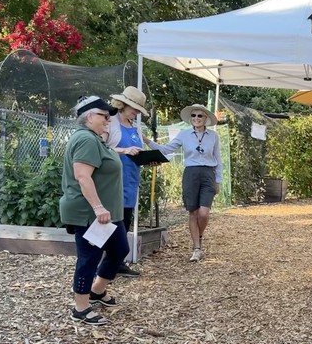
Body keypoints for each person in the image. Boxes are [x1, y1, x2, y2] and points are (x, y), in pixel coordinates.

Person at [60, 96, 129, 326]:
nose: (108, 120)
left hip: (107, 214)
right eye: (104, 116)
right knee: (89, 258)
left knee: (119, 249)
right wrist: (98, 207)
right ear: (89, 116)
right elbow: (82, 176)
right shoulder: (85, 140)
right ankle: (80, 307)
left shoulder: (95, 139)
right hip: (91, 213)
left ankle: (97, 290)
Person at [144, 104, 222, 262]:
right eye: (193, 116)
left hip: (208, 174)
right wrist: (146, 140)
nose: (196, 118)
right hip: (191, 174)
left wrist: (218, 180)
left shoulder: (213, 136)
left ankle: (199, 236)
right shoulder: (184, 134)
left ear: (206, 118)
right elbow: (166, 149)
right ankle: (197, 248)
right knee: (193, 212)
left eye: (200, 116)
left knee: (204, 213)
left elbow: (218, 159)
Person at [107, 86, 150, 277]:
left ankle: (118, 263)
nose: (135, 113)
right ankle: (105, 264)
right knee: (111, 223)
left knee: (125, 221)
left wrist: (149, 159)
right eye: (133, 108)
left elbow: (138, 152)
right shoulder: (110, 124)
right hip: (113, 180)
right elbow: (101, 149)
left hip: (131, 179)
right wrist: (124, 150)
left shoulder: (135, 128)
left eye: (138, 110)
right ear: (122, 104)